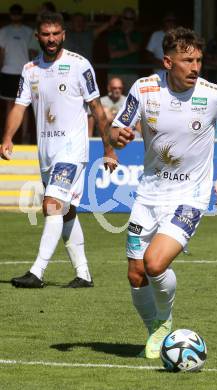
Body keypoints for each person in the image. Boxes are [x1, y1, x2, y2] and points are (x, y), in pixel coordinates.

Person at [109, 27, 217, 359]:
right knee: (135, 272)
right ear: (168, 62)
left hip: (191, 195)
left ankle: (165, 320)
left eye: (199, 59)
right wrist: (118, 138)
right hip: (148, 194)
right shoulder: (144, 89)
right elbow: (114, 128)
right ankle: (155, 327)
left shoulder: (213, 94)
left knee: (154, 263)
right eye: (188, 60)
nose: (196, 67)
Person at [0, 12, 118, 288]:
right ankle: (84, 274)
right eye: (46, 34)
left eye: (56, 34)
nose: (51, 39)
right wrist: (7, 137)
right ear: (38, 36)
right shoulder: (30, 70)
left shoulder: (79, 65)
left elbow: (97, 110)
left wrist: (108, 149)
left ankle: (37, 272)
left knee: (52, 204)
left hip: (72, 151)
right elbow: (19, 106)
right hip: (46, 153)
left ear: (63, 35)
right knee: (65, 211)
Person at [0, 4, 33, 143]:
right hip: (7, 71)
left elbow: (32, 53)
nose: (16, 16)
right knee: (9, 105)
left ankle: (25, 136)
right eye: (13, 13)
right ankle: (9, 137)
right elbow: (1, 52)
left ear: (22, 14)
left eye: (18, 13)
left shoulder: (29, 31)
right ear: (10, 15)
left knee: (23, 105)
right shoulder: (3, 31)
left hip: (24, 73)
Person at [107, 7, 143, 93]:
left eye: (131, 18)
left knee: (132, 102)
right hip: (115, 72)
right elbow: (113, 54)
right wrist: (130, 51)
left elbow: (134, 48)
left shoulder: (137, 34)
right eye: (126, 18)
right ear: (121, 19)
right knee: (114, 103)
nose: (128, 21)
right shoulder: (113, 34)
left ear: (134, 20)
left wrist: (127, 35)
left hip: (131, 73)